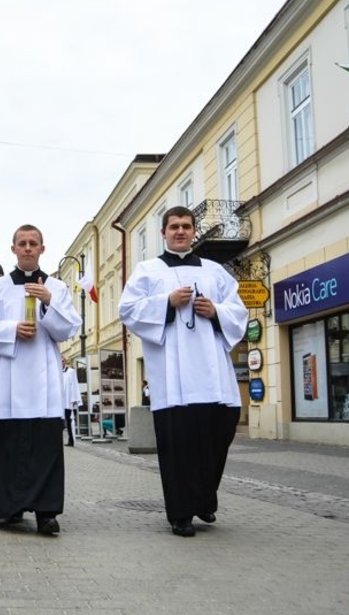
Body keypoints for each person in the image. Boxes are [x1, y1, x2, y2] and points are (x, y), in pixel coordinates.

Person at [118, 206, 248, 538]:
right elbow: (128, 310)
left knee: (219, 436)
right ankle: (180, 513)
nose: (180, 231)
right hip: (174, 379)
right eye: (174, 226)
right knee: (179, 447)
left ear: (193, 232)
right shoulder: (148, 271)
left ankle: (204, 499)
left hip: (214, 375)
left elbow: (239, 310)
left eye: (186, 226)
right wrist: (166, 302)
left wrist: (215, 310)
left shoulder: (215, 271)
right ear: (163, 232)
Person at [0, 225, 81, 535]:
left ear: (42, 249)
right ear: (14, 249)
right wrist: (11, 330)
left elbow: (69, 328)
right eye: (22, 243)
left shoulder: (56, 287)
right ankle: (9, 508)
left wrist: (47, 303)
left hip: (43, 381)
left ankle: (46, 513)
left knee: (43, 448)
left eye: (33, 243)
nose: (28, 248)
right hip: (7, 377)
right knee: (8, 447)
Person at [62, 358, 81, 447]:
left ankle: (71, 440)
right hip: (61, 401)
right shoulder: (57, 372)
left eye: (62, 361)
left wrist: (74, 399)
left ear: (65, 362)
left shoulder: (71, 371)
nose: (60, 362)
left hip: (68, 401)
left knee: (69, 421)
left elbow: (74, 385)